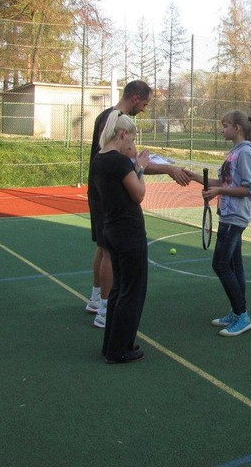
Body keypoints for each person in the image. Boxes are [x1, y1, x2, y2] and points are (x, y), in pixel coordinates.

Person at [86, 81, 190, 328]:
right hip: (110, 198)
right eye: (145, 104)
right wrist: (163, 168)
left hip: (100, 193)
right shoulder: (115, 121)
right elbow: (127, 166)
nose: (144, 109)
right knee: (110, 251)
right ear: (135, 98)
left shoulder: (107, 117)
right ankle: (105, 308)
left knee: (103, 247)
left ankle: (96, 299)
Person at [186, 110, 251, 336]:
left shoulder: (245, 152)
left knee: (220, 264)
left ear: (237, 128)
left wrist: (219, 191)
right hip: (228, 215)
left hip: (235, 217)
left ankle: (242, 315)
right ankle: (237, 312)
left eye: (225, 126)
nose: (222, 130)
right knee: (234, 265)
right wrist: (195, 177)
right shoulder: (235, 151)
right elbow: (224, 182)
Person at [89, 110, 150, 363]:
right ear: (122, 134)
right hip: (129, 231)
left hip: (112, 229)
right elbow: (138, 194)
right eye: (131, 139)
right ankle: (121, 348)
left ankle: (111, 345)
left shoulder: (99, 159)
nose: (132, 145)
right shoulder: (119, 162)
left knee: (118, 289)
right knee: (132, 291)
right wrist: (140, 168)